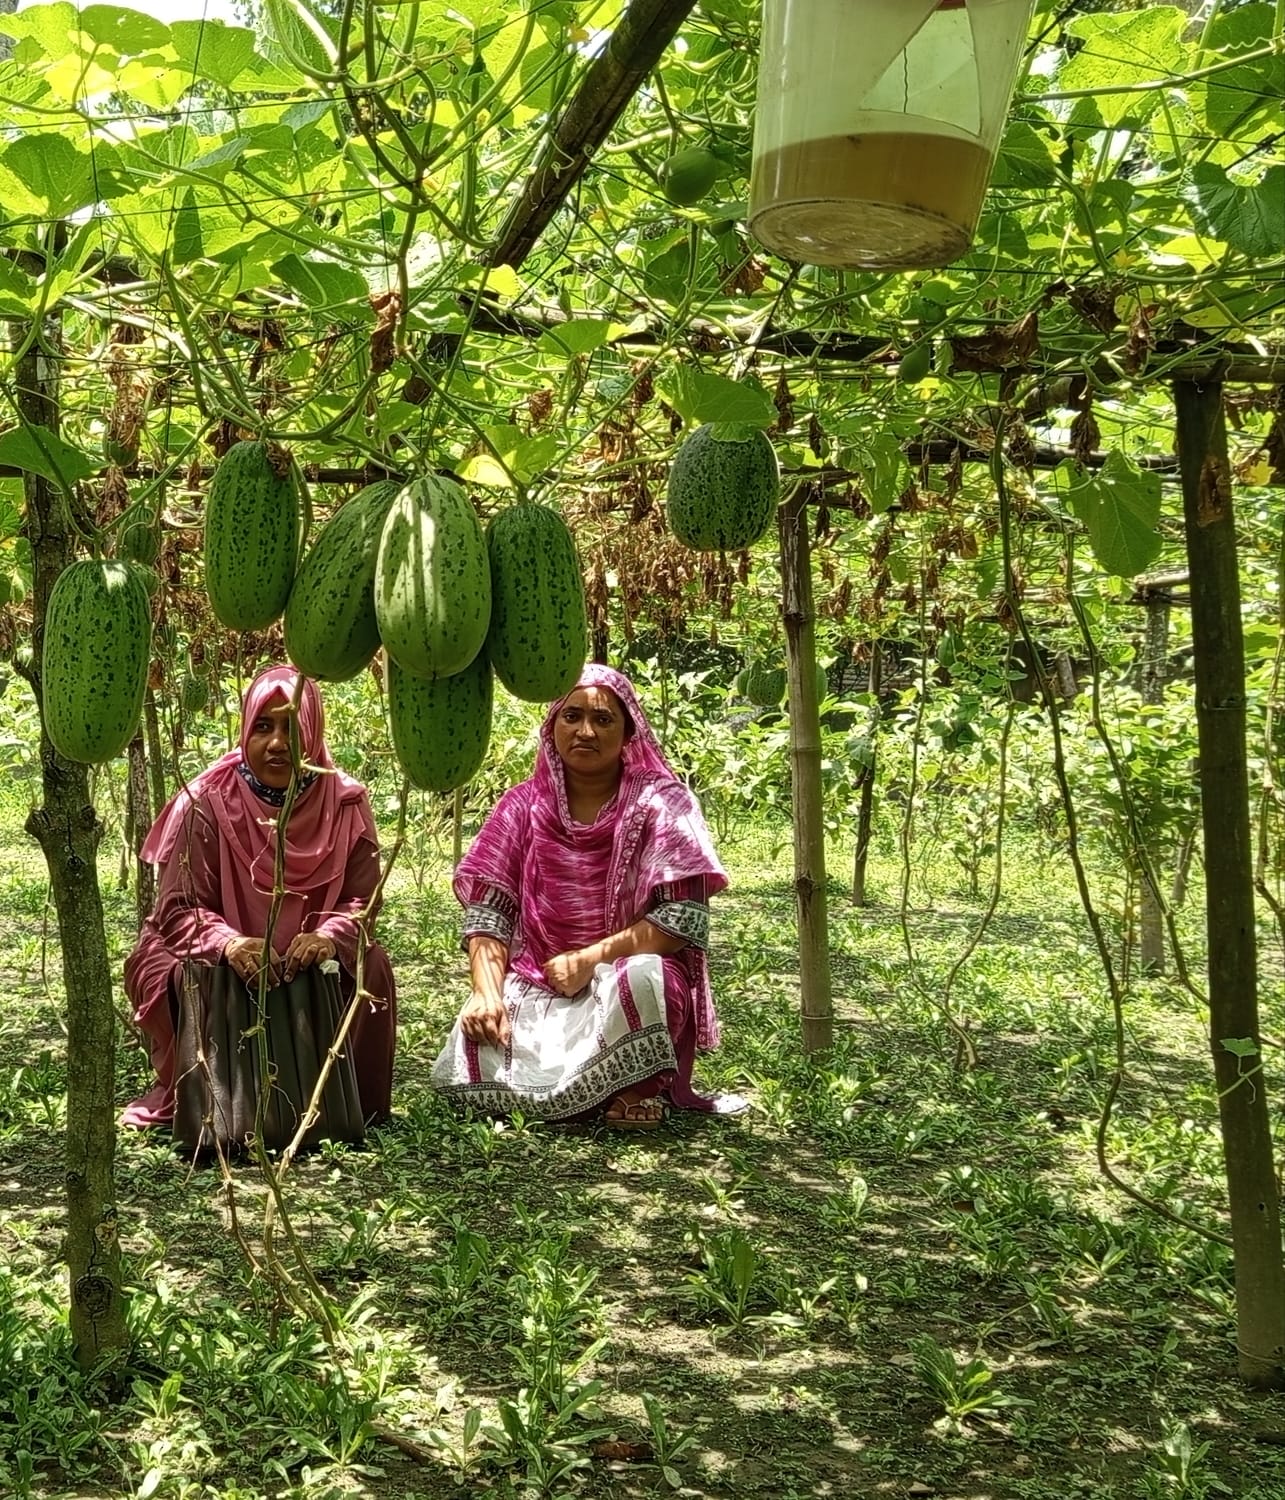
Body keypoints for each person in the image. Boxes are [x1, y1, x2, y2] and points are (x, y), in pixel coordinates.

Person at [430, 664, 745, 1126]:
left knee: (646, 979)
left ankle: (635, 1091)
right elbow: (489, 914)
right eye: (571, 716)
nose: (586, 731)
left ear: (628, 732)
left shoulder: (664, 804)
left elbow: (681, 921)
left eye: (603, 720)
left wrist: (589, 960)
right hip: (537, 981)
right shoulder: (520, 807)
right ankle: (591, 1094)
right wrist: (486, 994)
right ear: (552, 725)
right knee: (478, 1047)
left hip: (619, 980)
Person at [121, 665, 397, 1131]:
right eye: (263, 727)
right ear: (245, 731)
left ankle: (341, 1101)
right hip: (219, 951)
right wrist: (230, 943)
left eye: (293, 727)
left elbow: (361, 901)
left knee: (373, 966)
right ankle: (214, 1105)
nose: (277, 743)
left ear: (314, 731)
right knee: (168, 971)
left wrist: (328, 938)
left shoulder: (346, 802)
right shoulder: (206, 802)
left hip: (307, 959)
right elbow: (178, 909)